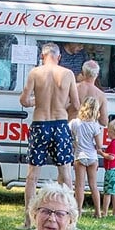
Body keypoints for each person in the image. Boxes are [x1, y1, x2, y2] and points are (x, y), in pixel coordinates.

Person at [20, 43, 78, 213]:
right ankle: (68, 216)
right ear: (59, 57)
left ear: (42, 56)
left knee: (32, 175)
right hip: (60, 124)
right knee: (65, 172)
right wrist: (62, 107)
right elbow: (76, 104)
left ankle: (28, 218)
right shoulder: (67, 74)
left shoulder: (35, 73)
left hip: (40, 123)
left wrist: (36, 101)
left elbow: (24, 100)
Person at [70, 96, 104, 218]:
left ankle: (78, 211)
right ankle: (98, 212)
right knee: (93, 185)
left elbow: (67, 134)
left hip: (80, 156)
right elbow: (99, 145)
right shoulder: (95, 125)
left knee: (79, 186)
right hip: (92, 157)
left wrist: (74, 141)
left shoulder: (75, 123)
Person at [99, 117, 115, 216]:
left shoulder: (114, 143)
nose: (107, 134)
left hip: (111, 171)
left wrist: (101, 153)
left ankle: (104, 212)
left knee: (107, 193)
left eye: (109, 131)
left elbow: (111, 157)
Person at [75, 59, 108, 125]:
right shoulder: (101, 95)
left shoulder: (73, 88)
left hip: (72, 129)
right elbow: (104, 122)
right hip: (89, 132)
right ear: (97, 74)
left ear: (83, 72)